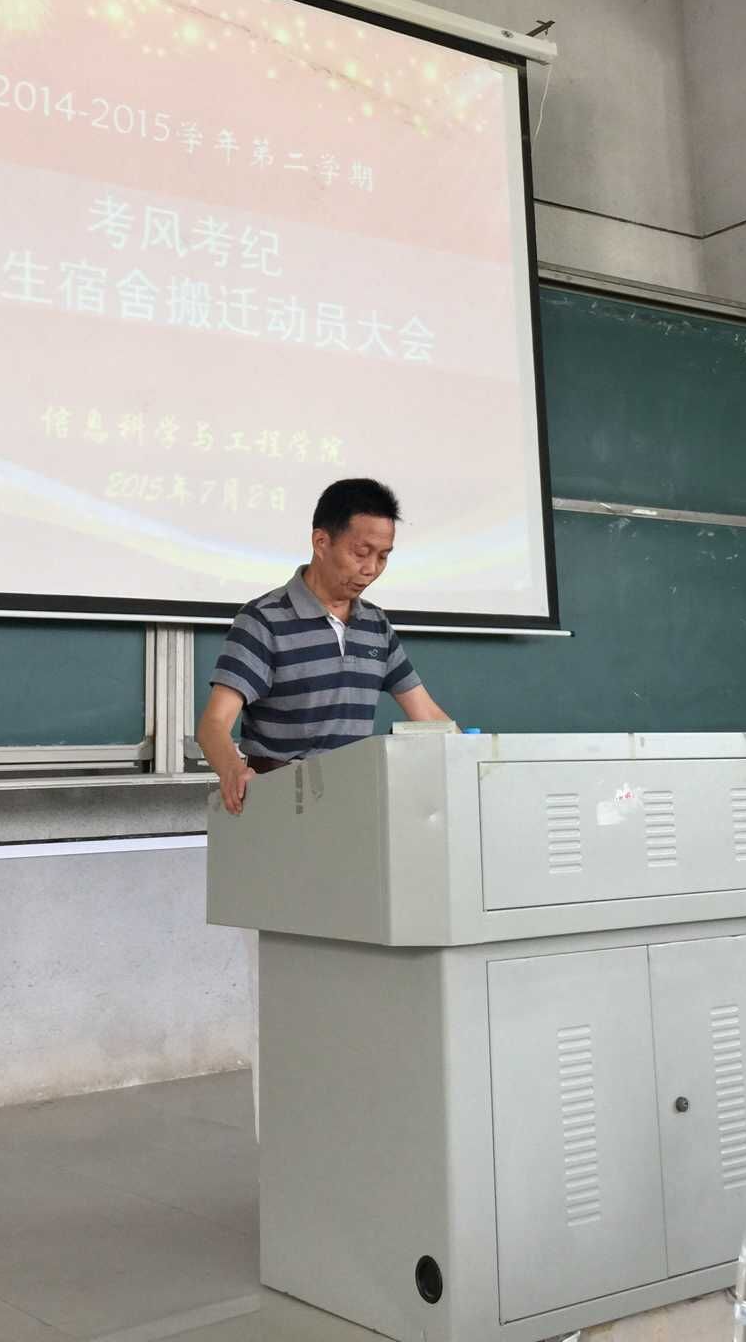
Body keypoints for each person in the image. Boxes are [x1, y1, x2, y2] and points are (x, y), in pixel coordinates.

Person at [196, 477, 451, 1132]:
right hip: (281, 824)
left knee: (351, 990)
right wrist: (232, 767)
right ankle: (283, 1145)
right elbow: (216, 723)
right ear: (321, 540)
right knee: (284, 995)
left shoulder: (377, 627)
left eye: (384, 556)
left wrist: (472, 756)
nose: (371, 568)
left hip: (354, 824)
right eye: (361, 551)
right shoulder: (264, 621)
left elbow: (426, 717)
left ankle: (344, 1132)